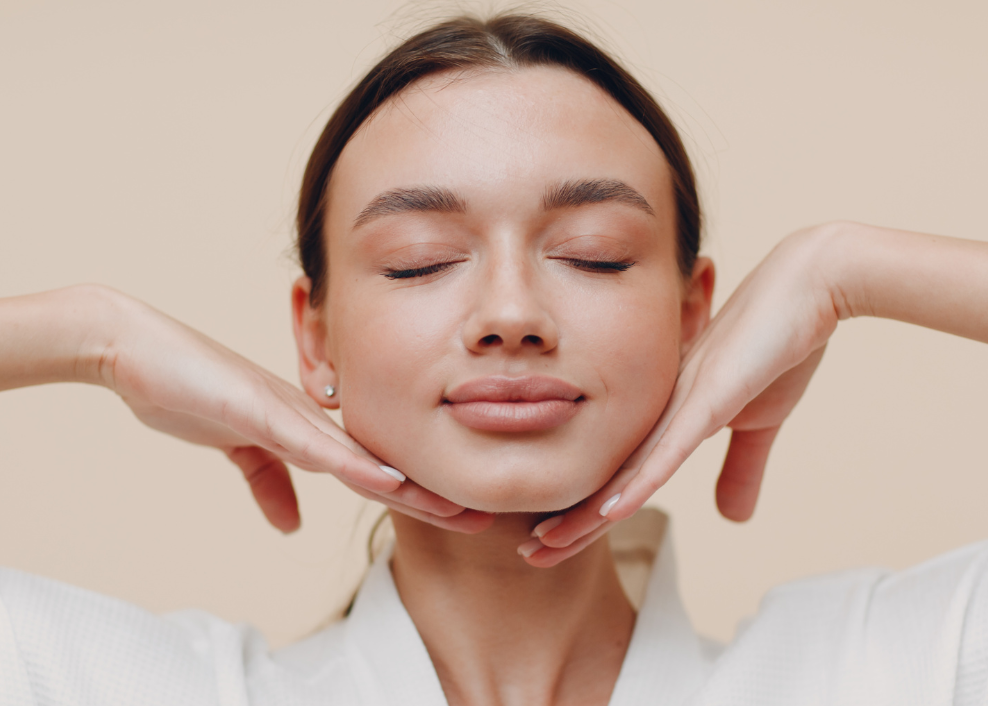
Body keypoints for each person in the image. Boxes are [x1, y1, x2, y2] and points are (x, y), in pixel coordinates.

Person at [1, 12, 986, 706]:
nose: (510, 314)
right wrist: (92, 334)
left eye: (591, 253)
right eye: (418, 261)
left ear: (697, 321)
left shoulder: (885, 671)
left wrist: (847, 270)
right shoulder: (133, 686)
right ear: (316, 336)